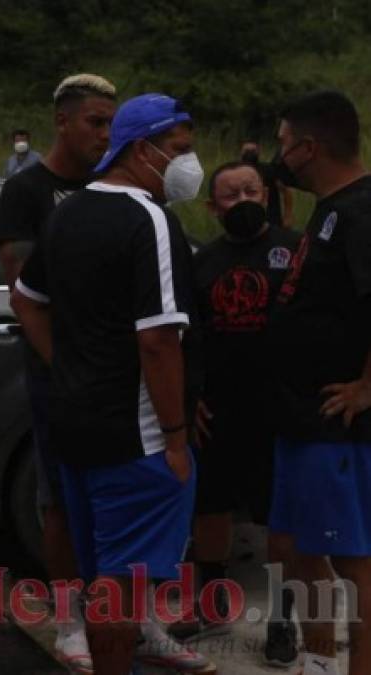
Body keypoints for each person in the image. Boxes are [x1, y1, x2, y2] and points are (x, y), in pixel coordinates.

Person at [10, 93, 210, 675]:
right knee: (120, 594)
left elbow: (25, 299)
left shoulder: (69, 211)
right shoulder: (149, 219)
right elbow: (158, 340)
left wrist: (64, 365)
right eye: (179, 150)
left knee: (104, 581)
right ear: (142, 149)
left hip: (76, 426)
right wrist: (175, 439)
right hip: (138, 438)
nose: (188, 164)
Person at [0, 72, 116, 673]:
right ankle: (70, 617)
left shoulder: (108, 184)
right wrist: (65, 367)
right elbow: (22, 291)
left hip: (118, 370)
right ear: (63, 122)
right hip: (59, 374)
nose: (105, 134)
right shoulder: (27, 190)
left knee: (119, 496)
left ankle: (123, 612)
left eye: (112, 123)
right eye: (95, 121)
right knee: (59, 500)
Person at [167, 161, 300, 666]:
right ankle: (211, 603)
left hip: (279, 410)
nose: (241, 200)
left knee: (278, 519)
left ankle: (283, 620)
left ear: (266, 194)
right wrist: (190, 395)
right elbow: (187, 336)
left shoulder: (298, 249)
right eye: (229, 194)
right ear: (211, 206)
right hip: (216, 410)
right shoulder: (203, 262)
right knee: (211, 508)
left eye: (250, 190)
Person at [267, 90, 371, 675]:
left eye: (284, 145)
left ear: (310, 147)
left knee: (352, 558)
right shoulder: (329, 207)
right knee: (303, 548)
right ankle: (319, 663)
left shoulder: (363, 210)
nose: (280, 156)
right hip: (299, 415)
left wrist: (366, 387)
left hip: (337, 422)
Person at [240, 140, 293, 228]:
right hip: (245, 222)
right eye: (247, 151)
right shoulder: (235, 173)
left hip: (271, 220)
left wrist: (288, 216)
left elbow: (286, 190)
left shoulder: (269, 170)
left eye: (252, 151)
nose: (250, 154)